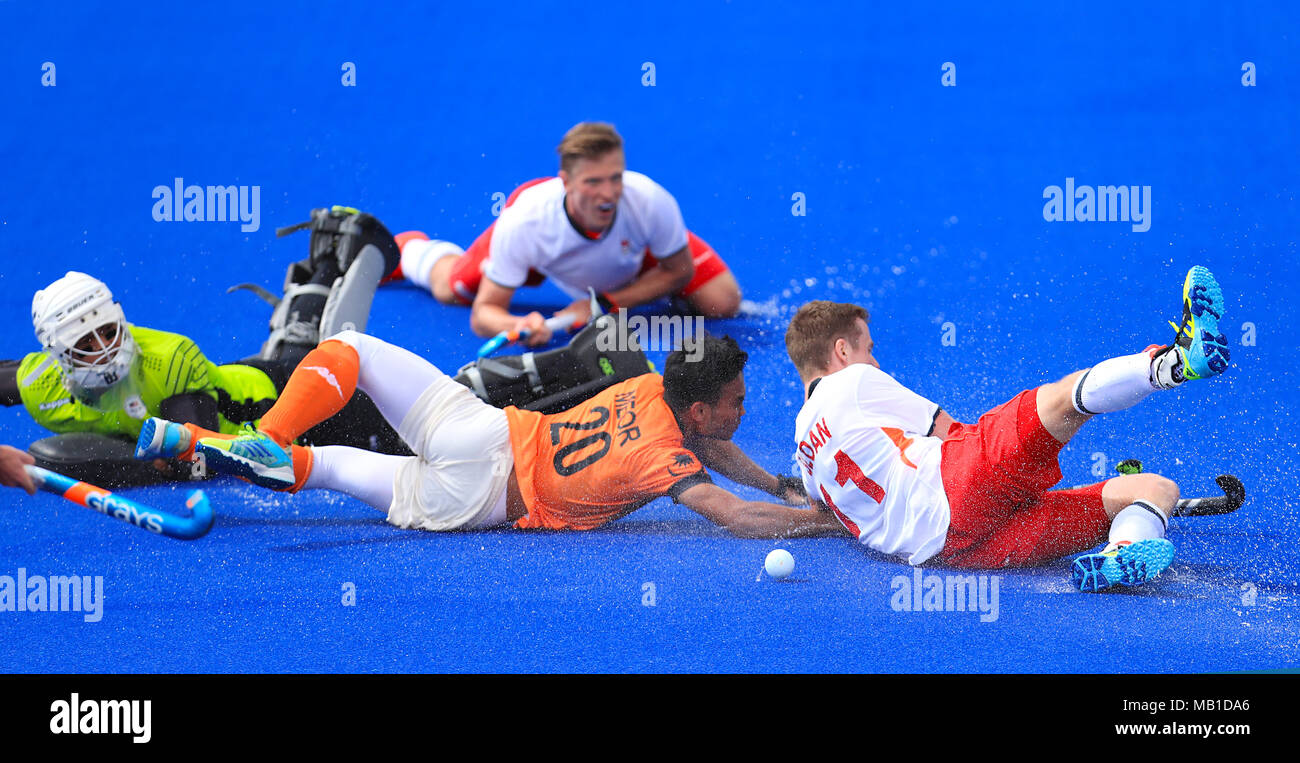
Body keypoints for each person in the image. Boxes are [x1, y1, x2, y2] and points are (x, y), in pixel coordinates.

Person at [783, 266, 1231, 591]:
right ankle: (1177, 361)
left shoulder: (804, 449)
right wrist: (1018, 462)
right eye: (868, 348)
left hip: (951, 554)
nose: (875, 361)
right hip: (954, 486)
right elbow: (947, 431)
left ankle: (1122, 551)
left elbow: (826, 510)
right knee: (1060, 400)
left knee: (1151, 487)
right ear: (841, 350)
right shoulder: (854, 380)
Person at [135, 333, 834, 538]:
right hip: (477, 498)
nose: (746, 410)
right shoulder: (664, 458)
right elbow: (734, 515)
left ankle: (225, 437)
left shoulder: (654, 387)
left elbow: (717, 452)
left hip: (479, 426)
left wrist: (778, 481)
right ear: (701, 410)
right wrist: (818, 522)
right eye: (737, 401)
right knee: (327, 468)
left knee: (351, 346)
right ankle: (248, 445)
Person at [0, 207, 410, 487]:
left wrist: (104, 466)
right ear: (57, 354)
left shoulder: (170, 359)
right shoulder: (39, 382)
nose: (105, 349)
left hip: (295, 413)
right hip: (247, 383)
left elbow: (203, 457)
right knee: (298, 351)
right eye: (86, 343)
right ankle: (334, 258)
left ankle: (356, 250)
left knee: (411, 431)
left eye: (108, 332)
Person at [392, 122, 744, 346]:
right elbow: (484, 314)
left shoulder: (649, 200)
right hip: (542, 249)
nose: (608, 193)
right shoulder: (524, 224)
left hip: (629, 254)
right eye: (593, 182)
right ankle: (410, 251)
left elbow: (680, 270)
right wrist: (519, 322)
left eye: (615, 177)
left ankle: (643, 290)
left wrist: (605, 304)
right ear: (566, 182)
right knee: (452, 290)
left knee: (722, 302)